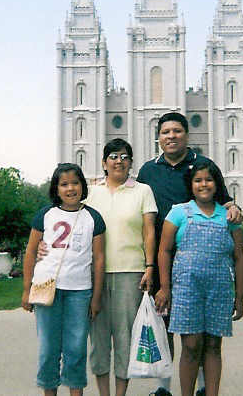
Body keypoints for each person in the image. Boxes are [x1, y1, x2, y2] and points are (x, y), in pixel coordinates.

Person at [136, 112, 243, 396]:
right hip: (160, 256)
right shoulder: (148, 170)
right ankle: (163, 387)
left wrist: (234, 206)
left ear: (186, 135)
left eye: (177, 131)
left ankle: (202, 386)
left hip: (196, 258)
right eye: (165, 132)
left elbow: (223, 199)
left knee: (197, 333)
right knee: (165, 323)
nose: (171, 136)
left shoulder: (203, 165)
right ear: (158, 137)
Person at [154, 158, 243, 396]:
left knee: (214, 345)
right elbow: (163, 251)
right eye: (198, 180)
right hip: (186, 289)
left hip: (220, 290)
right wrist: (164, 287)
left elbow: (238, 258)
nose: (204, 184)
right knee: (191, 346)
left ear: (217, 184)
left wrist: (240, 296)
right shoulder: (179, 213)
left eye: (209, 180)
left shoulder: (229, 218)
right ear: (191, 184)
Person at [22, 163, 106, 396]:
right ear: (56, 189)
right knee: (49, 348)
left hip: (79, 291)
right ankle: (49, 390)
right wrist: (26, 289)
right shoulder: (45, 215)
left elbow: (99, 259)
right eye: (64, 184)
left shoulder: (93, 218)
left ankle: (75, 391)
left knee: (76, 347)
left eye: (75, 183)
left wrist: (96, 297)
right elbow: (30, 252)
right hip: (46, 287)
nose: (70, 189)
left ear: (82, 185)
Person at [84, 139, 158, 396]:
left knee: (125, 337)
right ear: (104, 163)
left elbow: (149, 232)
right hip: (95, 275)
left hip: (130, 272)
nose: (119, 161)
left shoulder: (142, 191)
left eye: (124, 156)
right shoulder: (91, 193)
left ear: (131, 163)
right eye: (113, 156)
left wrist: (150, 266)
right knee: (99, 338)